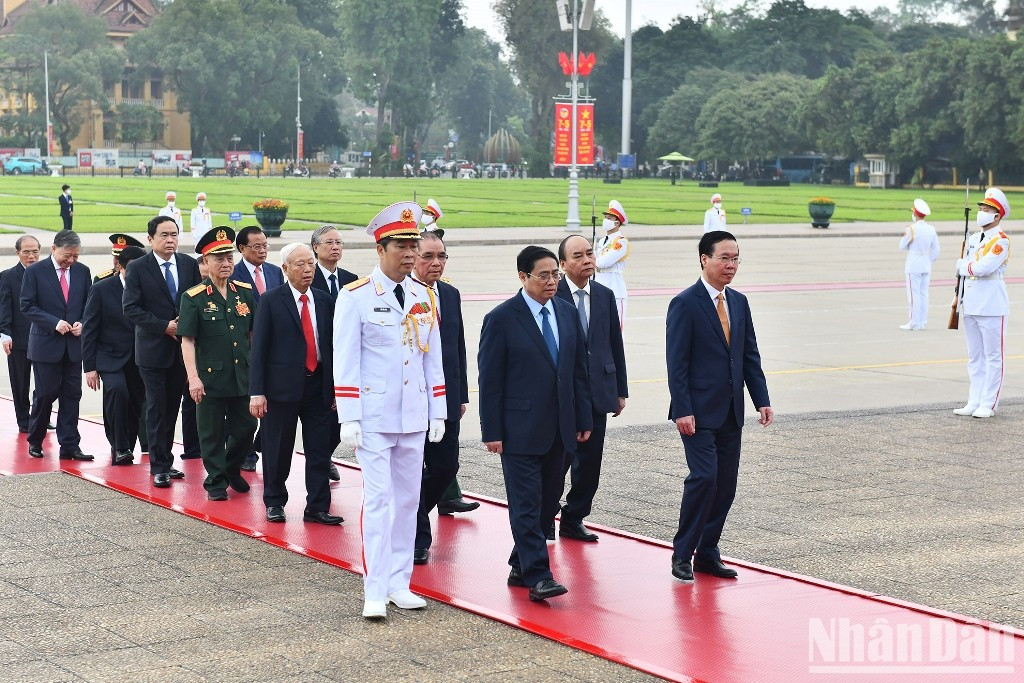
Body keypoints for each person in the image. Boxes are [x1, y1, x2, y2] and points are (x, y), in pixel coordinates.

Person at [332, 201, 446, 619]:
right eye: (402, 245)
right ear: (381, 249)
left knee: (408, 501)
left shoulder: (424, 296)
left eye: (414, 245)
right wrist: (349, 416)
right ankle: (374, 588)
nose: (411, 254)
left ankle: (400, 582)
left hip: (413, 414)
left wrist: (439, 411)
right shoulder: (357, 296)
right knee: (379, 500)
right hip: (375, 417)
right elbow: (345, 358)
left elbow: (431, 357)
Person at [477, 245, 592, 603]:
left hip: (560, 427)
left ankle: (519, 563)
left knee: (546, 505)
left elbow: (577, 370)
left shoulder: (566, 311)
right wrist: (491, 431)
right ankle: (539, 576)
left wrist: (583, 416)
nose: (552, 281)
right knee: (526, 504)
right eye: (543, 275)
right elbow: (490, 379)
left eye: (555, 274)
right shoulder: (502, 318)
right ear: (523, 277)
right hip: (518, 430)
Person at [666, 230, 773, 582]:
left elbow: (749, 355)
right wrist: (682, 408)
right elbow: (676, 363)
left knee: (726, 484)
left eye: (736, 258)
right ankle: (683, 553)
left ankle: (708, 553)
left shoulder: (739, 302)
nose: (731, 265)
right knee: (704, 478)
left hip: (730, 411)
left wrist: (762, 400)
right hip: (695, 412)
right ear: (704, 259)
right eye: (724, 258)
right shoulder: (685, 303)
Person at [250, 243, 341, 524]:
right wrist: (257, 392)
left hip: (318, 386)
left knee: (320, 451)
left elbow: (333, 347)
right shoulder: (271, 300)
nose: (307, 269)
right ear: (285, 269)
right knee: (277, 449)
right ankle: (275, 501)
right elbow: (259, 350)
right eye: (300, 264)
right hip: (281, 389)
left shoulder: (325, 301)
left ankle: (317, 506)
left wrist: (338, 388)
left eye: (311, 264)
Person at [554, 235, 628, 542]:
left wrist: (620, 389)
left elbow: (614, 343)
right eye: (578, 256)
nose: (587, 260)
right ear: (562, 264)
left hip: (598, 389)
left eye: (589, 254)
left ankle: (574, 517)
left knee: (590, 465)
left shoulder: (604, 295)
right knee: (558, 461)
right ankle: (545, 515)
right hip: (563, 394)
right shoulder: (551, 293)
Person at [178, 227, 258, 501]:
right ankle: (215, 481)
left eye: (229, 259)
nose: (226, 264)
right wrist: (193, 377)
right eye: (219, 259)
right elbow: (187, 340)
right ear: (206, 262)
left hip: (241, 375)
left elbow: (252, 334)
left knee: (247, 425)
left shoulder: (244, 292)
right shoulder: (194, 297)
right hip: (210, 377)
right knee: (210, 433)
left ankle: (231, 468)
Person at [123, 215, 202, 488]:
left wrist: (185, 325)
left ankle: (166, 460)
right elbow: (130, 308)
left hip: (182, 350)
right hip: (152, 349)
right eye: (164, 235)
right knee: (156, 408)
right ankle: (158, 466)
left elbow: (195, 300)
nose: (170, 240)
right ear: (150, 239)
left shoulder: (189, 265)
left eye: (174, 235)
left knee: (172, 409)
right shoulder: (138, 268)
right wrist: (164, 326)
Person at [411, 227, 471, 565]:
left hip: (445, 399)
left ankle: (409, 510)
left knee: (446, 466)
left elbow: (457, 347)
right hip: (411, 398)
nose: (437, 263)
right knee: (411, 467)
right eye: (428, 256)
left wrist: (460, 394)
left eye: (442, 256)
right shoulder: (401, 294)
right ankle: (418, 536)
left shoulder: (450, 295)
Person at [19, 230, 93, 461]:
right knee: (45, 394)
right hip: (46, 344)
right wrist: (55, 323)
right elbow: (27, 306)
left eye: (75, 256)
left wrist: (82, 321)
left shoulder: (82, 272)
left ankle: (70, 444)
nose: (71, 261)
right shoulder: (34, 272)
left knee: (72, 394)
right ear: (54, 249)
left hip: (73, 345)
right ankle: (35, 439)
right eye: (67, 256)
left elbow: (88, 304)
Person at [82, 245, 146, 466]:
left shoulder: (147, 288)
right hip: (109, 356)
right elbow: (89, 328)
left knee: (136, 402)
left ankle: (127, 444)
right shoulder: (102, 288)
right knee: (118, 392)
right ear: (120, 266)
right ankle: (120, 446)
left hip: (139, 357)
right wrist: (89, 367)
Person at [953, 187, 1011, 419]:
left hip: (991, 304)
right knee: (974, 356)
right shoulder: (973, 239)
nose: (981, 212)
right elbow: (967, 273)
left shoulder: (1001, 241)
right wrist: (958, 298)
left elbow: (983, 268)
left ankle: (989, 402)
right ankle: (974, 400)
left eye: (986, 209)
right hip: (972, 303)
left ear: (997, 215)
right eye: (981, 208)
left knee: (993, 357)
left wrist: (962, 266)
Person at [312, 224, 356, 482]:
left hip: (346, 355)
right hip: (319, 357)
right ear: (316, 248)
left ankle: (325, 455)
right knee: (321, 414)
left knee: (341, 414)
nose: (335, 247)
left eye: (339, 242)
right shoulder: (307, 276)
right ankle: (320, 460)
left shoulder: (352, 279)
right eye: (329, 242)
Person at [0, 235, 41, 432]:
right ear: (18, 253)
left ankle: (40, 415)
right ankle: (24, 420)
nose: (31, 256)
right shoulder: (7, 276)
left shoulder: (47, 273)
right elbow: (4, 307)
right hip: (19, 338)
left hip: (45, 338)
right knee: (20, 382)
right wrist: (5, 334)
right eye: (26, 252)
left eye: (35, 251)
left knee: (47, 383)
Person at [899, 199, 940, 331]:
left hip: (913, 264)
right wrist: (929, 260)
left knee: (913, 294)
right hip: (925, 264)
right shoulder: (931, 229)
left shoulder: (911, 229)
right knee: (923, 294)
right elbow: (936, 250)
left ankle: (913, 322)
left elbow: (901, 245)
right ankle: (922, 321)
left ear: (915, 214)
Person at [593, 200, 629, 331]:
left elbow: (602, 262)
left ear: (617, 222)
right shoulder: (602, 241)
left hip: (615, 289)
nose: (605, 220)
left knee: (616, 331)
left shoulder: (621, 242)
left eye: (609, 218)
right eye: (605, 217)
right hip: (599, 286)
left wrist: (594, 260)